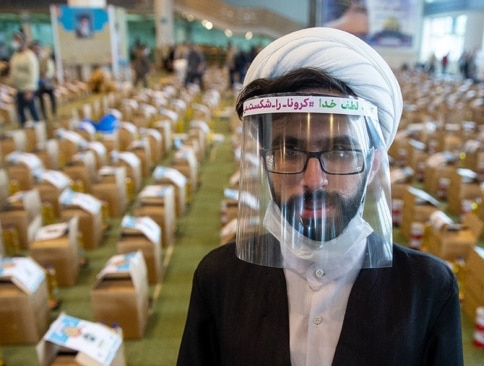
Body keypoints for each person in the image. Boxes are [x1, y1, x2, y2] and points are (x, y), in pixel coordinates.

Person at [177, 27, 462, 365]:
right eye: (289, 151)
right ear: (266, 161)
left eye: (340, 151)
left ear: (372, 166)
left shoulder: (428, 290)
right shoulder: (219, 278)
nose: (314, 180)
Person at [8, 32, 40, 126]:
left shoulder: (29, 56)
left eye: (17, 40)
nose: (15, 42)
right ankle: (24, 130)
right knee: (20, 111)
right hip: (19, 87)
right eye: (14, 40)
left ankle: (39, 128)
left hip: (28, 88)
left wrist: (30, 89)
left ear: (22, 41)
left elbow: (33, 73)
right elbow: (14, 70)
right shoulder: (16, 55)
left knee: (32, 110)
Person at [30, 41, 57, 122]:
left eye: (37, 49)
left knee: (52, 97)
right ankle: (44, 116)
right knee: (40, 100)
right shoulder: (32, 60)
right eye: (35, 49)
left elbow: (51, 70)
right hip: (38, 84)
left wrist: (46, 75)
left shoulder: (46, 59)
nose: (36, 50)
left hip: (48, 82)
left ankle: (54, 113)